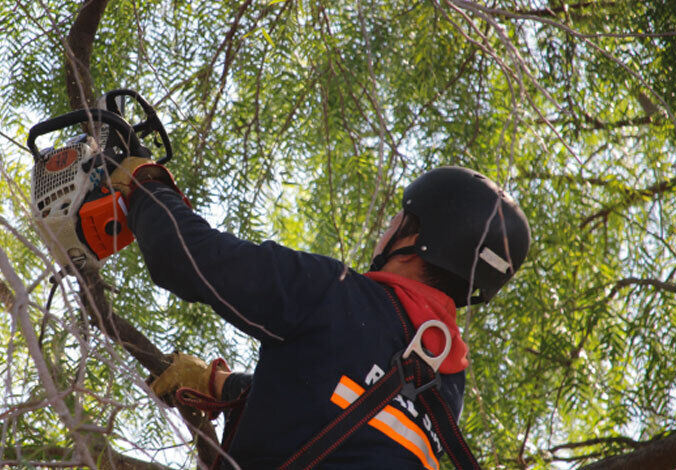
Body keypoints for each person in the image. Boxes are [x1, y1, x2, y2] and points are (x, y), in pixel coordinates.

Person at [110, 161, 530, 469]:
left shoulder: (335, 294)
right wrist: (221, 384)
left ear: (415, 240)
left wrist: (144, 183)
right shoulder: (446, 386)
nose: (386, 229)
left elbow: (183, 255)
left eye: (397, 219)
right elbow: (343, 415)